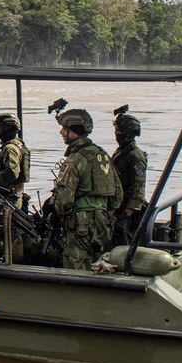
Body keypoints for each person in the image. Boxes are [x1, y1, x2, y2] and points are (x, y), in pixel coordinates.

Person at [51, 109, 122, 270]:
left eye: (65, 129)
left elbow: (64, 201)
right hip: (102, 222)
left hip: (79, 224)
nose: (61, 132)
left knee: (75, 266)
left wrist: (65, 217)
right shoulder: (102, 155)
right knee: (100, 264)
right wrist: (103, 213)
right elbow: (118, 195)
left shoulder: (75, 159)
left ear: (74, 131)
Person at [111, 108, 148, 244]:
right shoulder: (122, 152)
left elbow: (139, 185)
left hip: (129, 208)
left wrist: (130, 209)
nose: (117, 134)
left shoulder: (135, 156)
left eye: (120, 131)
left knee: (125, 238)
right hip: (119, 202)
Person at [0, 112, 30, 207]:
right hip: (12, 198)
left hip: (9, 200)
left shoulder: (10, 148)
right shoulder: (18, 145)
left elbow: (12, 172)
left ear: (7, 128)